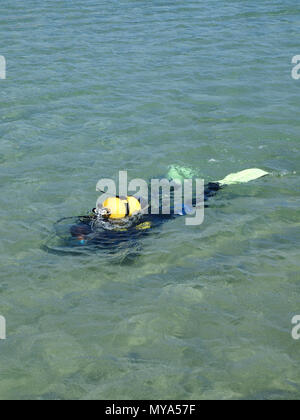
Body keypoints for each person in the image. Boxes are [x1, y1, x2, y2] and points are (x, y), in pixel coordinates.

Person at [67, 167, 269, 247]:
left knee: (185, 207)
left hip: (140, 211)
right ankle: (173, 179)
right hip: (138, 205)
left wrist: (83, 239)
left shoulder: (98, 220)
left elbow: (78, 230)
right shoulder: (118, 217)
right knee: (162, 197)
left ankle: (217, 185)